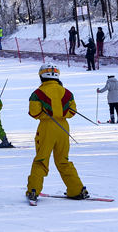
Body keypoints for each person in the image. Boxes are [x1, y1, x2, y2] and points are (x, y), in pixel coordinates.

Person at [25, 63, 89, 203]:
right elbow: (72, 111)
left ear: (41, 76)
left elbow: (34, 112)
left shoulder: (37, 93)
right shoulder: (67, 93)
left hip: (47, 127)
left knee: (41, 160)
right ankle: (77, 189)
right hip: (63, 128)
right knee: (63, 160)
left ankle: (33, 190)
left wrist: (46, 114)